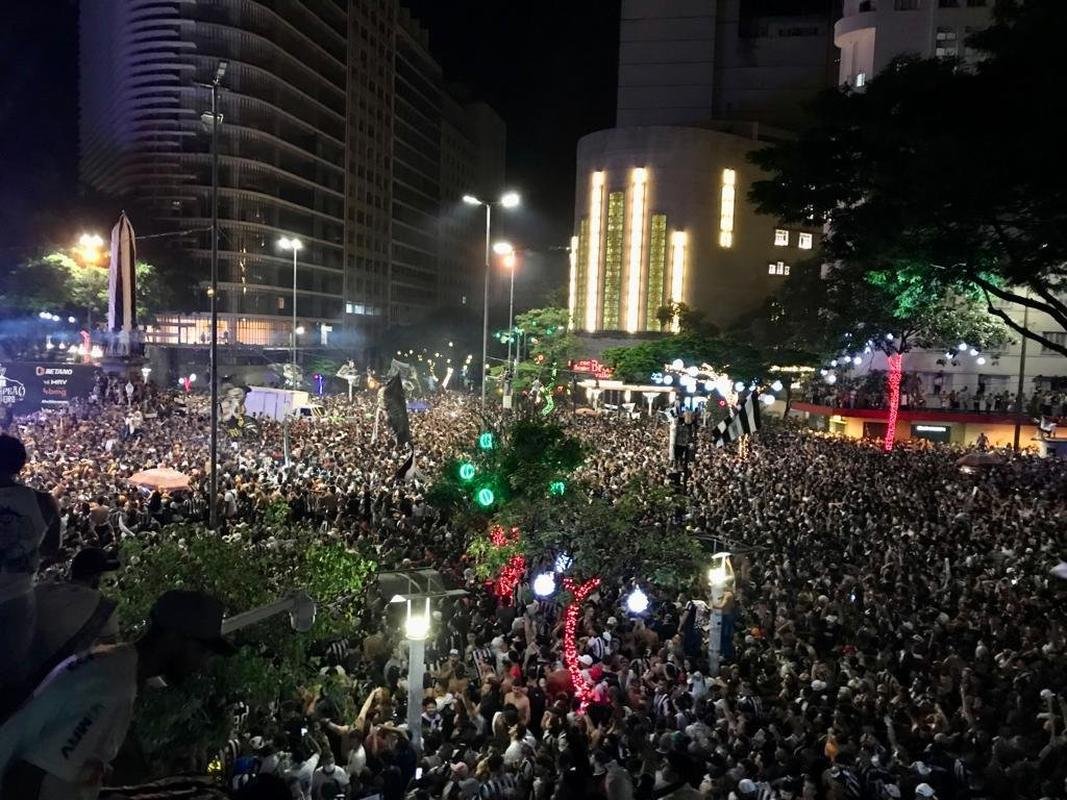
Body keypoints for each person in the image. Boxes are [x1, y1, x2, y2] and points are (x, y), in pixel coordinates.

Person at [0, 589, 234, 799]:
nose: (203, 665)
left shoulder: (112, 664)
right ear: (173, 637)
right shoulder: (113, 688)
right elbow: (29, 776)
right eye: (201, 650)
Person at [0, 434, 61, 697]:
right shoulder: (43, 502)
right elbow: (51, 549)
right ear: (21, 465)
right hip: (18, 599)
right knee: (13, 679)